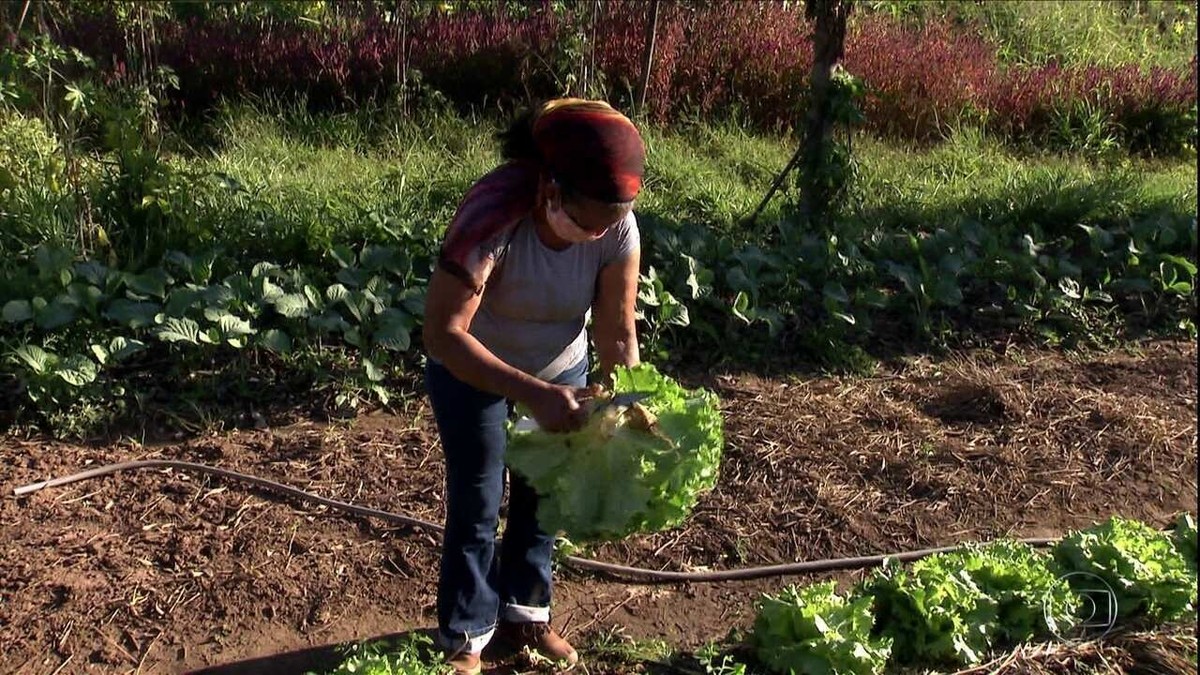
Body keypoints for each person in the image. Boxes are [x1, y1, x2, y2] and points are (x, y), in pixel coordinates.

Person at [421, 98, 645, 674]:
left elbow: (617, 331)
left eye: (609, 219)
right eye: (588, 216)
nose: (596, 230)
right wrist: (534, 395)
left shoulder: (617, 226)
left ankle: (527, 617)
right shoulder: (493, 212)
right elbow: (444, 334)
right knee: (477, 502)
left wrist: (630, 397)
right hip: (474, 370)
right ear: (549, 185)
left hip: (557, 369)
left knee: (541, 499)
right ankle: (466, 637)